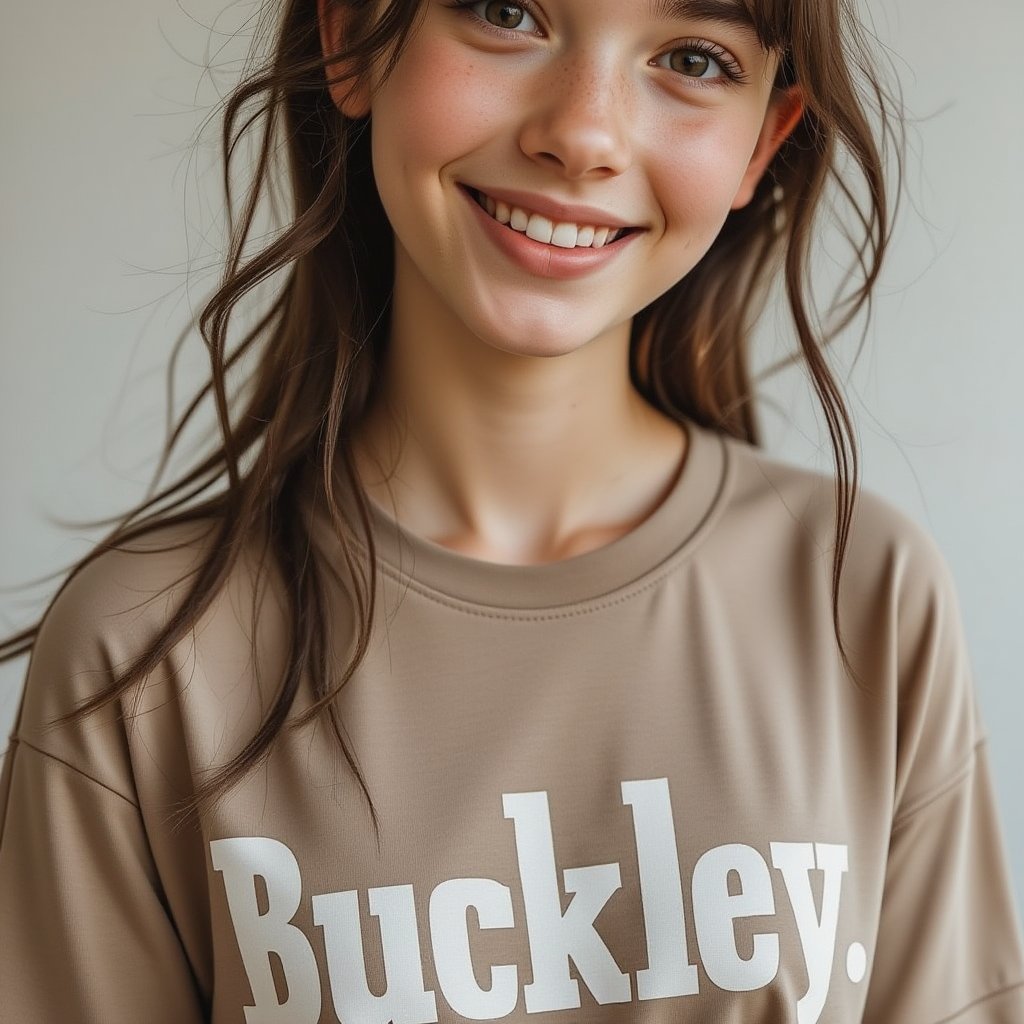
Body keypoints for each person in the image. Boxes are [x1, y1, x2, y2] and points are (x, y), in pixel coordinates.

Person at [1, 0, 1022, 1020]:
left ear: (764, 138)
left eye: (693, 58)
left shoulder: (862, 588)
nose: (582, 134)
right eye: (505, 11)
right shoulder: (144, 655)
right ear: (350, 35)